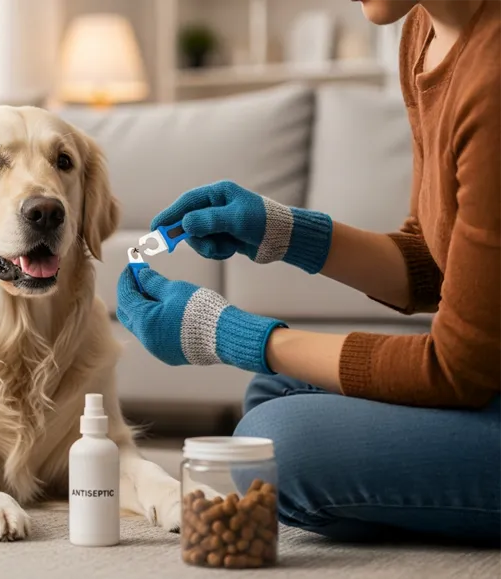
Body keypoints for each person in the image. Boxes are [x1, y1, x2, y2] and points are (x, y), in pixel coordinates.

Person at [116, 0, 501, 545]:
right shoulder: (422, 30)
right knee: (277, 390)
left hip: (477, 376)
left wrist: (225, 332)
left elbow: (457, 370)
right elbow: (430, 264)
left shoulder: (492, 75)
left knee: (275, 443)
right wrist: (280, 230)